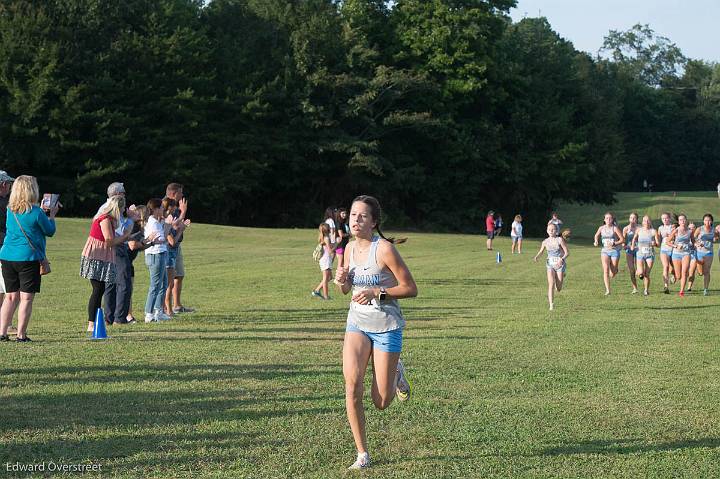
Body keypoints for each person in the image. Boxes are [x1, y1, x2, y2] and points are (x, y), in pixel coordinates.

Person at [334, 195, 417, 470]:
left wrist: (377, 292)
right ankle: (362, 454)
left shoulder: (384, 250)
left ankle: (396, 373)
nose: (355, 220)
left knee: (381, 401)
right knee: (351, 386)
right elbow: (346, 290)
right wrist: (342, 282)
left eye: (362, 216)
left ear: (374, 222)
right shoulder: (347, 249)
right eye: (353, 215)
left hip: (386, 328)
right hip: (357, 324)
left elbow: (410, 288)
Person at [0, 175, 58, 342]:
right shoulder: (36, 212)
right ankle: (21, 335)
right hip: (28, 258)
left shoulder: (10, 209)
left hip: (7, 256)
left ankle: (2, 333)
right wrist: (52, 215)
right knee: (26, 298)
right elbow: (50, 231)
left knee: (10, 296)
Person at [80, 196, 132, 332]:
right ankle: (91, 323)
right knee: (97, 289)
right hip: (95, 256)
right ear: (118, 208)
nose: (122, 212)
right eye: (122, 209)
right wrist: (126, 236)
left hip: (102, 255)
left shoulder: (110, 220)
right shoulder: (105, 219)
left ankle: (96, 320)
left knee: (101, 288)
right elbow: (109, 241)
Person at [101, 187, 136, 326]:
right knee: (124, 284)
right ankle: (119, 318)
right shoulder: (114, 216)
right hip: (118, 249)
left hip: (109, 251)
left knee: (111, 284)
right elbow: (122, 233)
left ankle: (109, 318)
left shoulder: (107, 212)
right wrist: (132, 220)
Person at [165, 183, 194, 314]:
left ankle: (177, 305)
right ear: (173, 193)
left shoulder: (176, 208)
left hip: (177, 245)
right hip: (168, 248)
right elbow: (169, 229)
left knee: (179, 275)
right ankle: (165, 307)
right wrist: (183, 212)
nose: (182, 195)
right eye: (180, 193)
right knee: (167, 280)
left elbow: (178, 226)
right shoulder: (165, 207)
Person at [144, 198, 171, 322]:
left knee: (164, 284)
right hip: (155, 255)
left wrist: (166, 224)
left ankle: (158, 311)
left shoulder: (156, 221)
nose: (162, 209)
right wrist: (168, 225)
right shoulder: (153, 222)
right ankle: (148, 313)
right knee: (155, 285)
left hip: (161, 254)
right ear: (155, 209)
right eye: (160, 207)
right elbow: (161, 239)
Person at [533, 223, 568, 311]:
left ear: (556, 231)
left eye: (553, 229)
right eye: (549, 229)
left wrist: (561, 259)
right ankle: (551, 305)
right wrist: (537, 256)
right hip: (550, 264)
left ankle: (561, 275)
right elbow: (541, 251)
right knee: (551, 283)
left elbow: (567, 253)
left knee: (559, 288)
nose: (551, 231)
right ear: (547, 231)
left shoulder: (560, 240)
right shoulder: (545, 242)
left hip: (560, 264)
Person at [593, 212, 623, 295]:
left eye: (610, 218)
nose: (608, 220)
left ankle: (614, 269)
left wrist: (614, 243)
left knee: (613, 273)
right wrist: (596, 241)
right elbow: (596, 235)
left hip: (614, 251)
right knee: (605, 270)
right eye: (607, 218)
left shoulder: (615, 228)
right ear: (604, 220)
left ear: (612, 220)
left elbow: (622, 239)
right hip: (605, 251)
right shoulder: (601, 228)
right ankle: (608, 290)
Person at [0, 171, 14, 332]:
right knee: (8, 288)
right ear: (3, 184)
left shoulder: (6, 201)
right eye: (9, 183)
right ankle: (6, 323)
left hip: (5, 247)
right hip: (4, 248)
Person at [666, 214, 693, 297]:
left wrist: (698, 244)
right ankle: (674, 275)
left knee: (684, 272)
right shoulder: (676, 230)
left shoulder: (690, 231)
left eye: (684, 219)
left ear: (686, 220)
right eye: (681, 220)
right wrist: (676, 246)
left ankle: (681, 291)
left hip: (686, 253)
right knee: (678, 276)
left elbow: (694, 241)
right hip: (676, 254)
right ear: (679, 222)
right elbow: (667, 241)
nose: (683, 221)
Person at [631, 215, 657, 296]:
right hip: (640, 253)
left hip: (650, 254)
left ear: (650, 222)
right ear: (642, 222)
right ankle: (639, 272)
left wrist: (655, 243)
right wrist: (632, 245)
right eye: (645, 220)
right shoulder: (639, 230)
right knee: (641, 273)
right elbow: (634, 238)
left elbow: (658, 243)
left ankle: (646, 290)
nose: (646, 222)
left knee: (647, 274)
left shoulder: (653, 231)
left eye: (648, 220)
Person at [692, 214, 716, 296]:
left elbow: (716, 237)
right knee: (700, 273)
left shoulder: (714, 230)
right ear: (703, 221)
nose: (707, 222)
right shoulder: (699, 229)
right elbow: (693, 238)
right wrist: (697, 243)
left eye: (709, 220)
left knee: (707, 271)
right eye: (705, 220)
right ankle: (698, 269)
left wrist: (715, 238)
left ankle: (705, 289)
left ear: (711, 221)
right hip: (700, 252)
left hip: (709, 252)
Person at [311, 223, 334, 300]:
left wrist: (335, 243)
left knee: (330, 277)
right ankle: (326, 296)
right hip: (325, 259)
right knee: (325, 278)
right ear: (327, 230)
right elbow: (330, 251)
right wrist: (337, 243)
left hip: (325, 259)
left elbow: (329, 246)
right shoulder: (326, 238)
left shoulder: (324, 237)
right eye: (329, 227)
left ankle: (317, 290)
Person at [657, 212, 676, 294]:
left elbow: (677, 237)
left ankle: (674, 275)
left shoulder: (673, 227)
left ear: (669, 218)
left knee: (673, 270)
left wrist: (672, 236)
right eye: (663, 218)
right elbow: (657, 239)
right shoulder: (660, 228)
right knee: (666, 266)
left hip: (673, 250)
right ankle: (666, 286)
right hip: (664, 250)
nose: (664, 220)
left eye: (666, 218)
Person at [622, 213, 639, 294]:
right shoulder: (626, 228)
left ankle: (640, 273)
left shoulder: (640, 228)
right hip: (629, 250)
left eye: (634, 218)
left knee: (638, 270)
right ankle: (635, 288)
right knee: (631, 270)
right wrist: (623, 245)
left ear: (637, 219)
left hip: (638, 249)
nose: (632, 219)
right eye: (631, 218)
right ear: (629, 219)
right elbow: (623, 240)